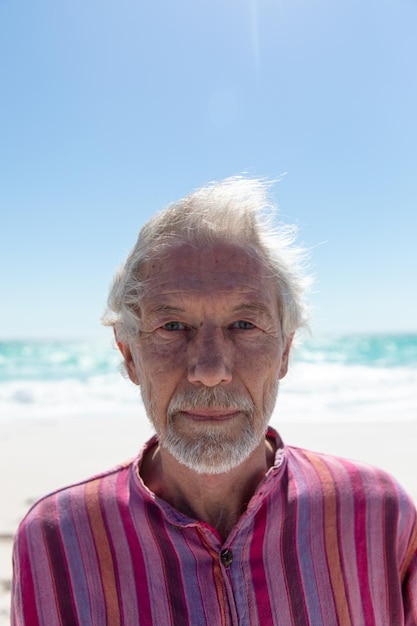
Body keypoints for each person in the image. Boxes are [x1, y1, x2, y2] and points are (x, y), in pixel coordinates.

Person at [11, 177, 417, 625]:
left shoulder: (378, 516)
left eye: (244, 325)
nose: (209, 369)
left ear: (284, 350)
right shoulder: (57, 541)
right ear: (129, 354)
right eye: (172, 326)